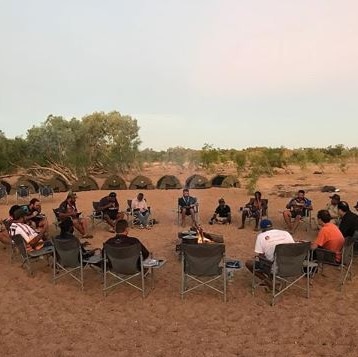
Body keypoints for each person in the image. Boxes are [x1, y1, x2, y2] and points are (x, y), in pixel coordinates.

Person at [245, 219, 295, 283]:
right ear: (272, 226)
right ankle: (272, 279)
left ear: (262, 229)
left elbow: (261, 255)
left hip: (275, 268)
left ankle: (269, 283)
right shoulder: (286, 233)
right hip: (293, 266)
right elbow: (294, 248)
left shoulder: (261, 236)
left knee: (249, 263)